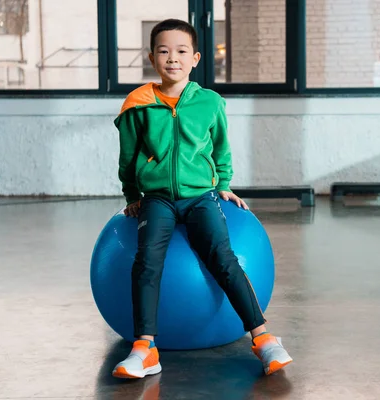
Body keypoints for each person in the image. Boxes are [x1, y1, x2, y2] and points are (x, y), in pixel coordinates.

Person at [111, 18, 292, 378]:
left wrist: (223, 182)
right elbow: (127, 157)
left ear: (195, 58)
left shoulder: (210, 102)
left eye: (180, 51)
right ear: (152, 58)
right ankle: (144, 349)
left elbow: (221, 148)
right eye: (163, 51)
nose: (172, 58)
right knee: (147, 262)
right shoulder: (138, 104)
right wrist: (133, 195)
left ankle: (264, 338)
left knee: (224, 258)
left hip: (201, 197)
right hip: (158, 198)